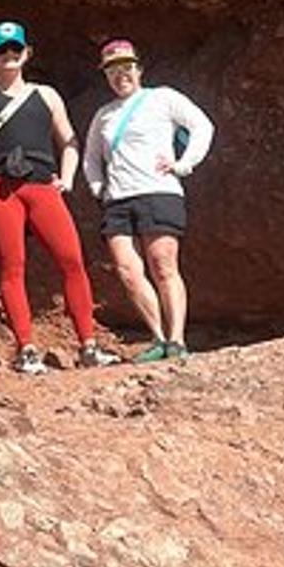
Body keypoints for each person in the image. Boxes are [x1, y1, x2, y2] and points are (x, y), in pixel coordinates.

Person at [0, 21, 122, 374]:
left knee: (72, 260)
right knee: (12, 266)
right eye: (2, 50)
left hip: (41, 185)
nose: (9, 55)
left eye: (15, 49)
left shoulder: (46, 95)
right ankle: (26, 349)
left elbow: (69, 140)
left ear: (27, 53)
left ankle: (89, 345)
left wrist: (67, 179)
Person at [81, 39, 214, 362]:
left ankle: (176, 339)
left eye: (126, 68)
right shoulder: (104, 115)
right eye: (112, 70)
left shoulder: (162, 98)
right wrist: (99, 187)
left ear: (138, 69)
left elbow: (202, 126)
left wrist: (184, 165)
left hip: (159, 191)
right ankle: (157, 338)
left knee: (163, 265)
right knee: (127, 270)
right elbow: (91, 158)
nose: (120, 75)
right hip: (118, 200)